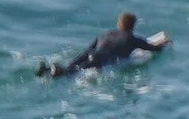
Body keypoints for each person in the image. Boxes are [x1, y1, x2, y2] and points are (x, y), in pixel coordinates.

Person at [36, 13, 167, 78]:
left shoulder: (104, 34)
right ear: (132, 26)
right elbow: (153, 49)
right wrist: (165, 44)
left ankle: (47, 69)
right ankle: (58, 71)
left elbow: (89, 49)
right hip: (102, 59)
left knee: (72, 67)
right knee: (73, 74)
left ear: (118, 24)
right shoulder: (131, 38)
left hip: (89, 54)